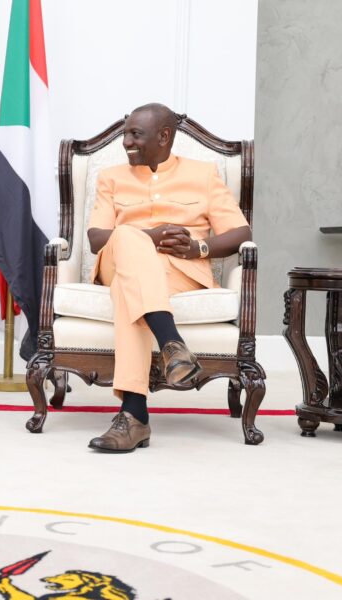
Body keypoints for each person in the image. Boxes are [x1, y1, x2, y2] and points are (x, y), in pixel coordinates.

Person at [85, 103, 251, 454]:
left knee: (130, 291)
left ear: (163, 136)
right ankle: (172, 343)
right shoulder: (111, 178)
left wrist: (199, 248)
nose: (126, 142)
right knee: (127, 235)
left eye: (135, 134)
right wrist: (150, 235)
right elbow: (97, 238)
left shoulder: (203, 175)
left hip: (178, 272)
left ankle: (134, 417)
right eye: (125, 134)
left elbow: (240, 232)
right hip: (118, 260)